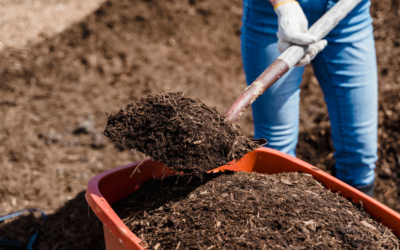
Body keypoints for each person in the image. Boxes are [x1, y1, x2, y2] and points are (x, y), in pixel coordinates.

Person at [241, 0, 377, 196]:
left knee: (360, 153)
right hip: (275, 15)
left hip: (349, 14)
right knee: (276, 152)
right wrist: (283, 4)